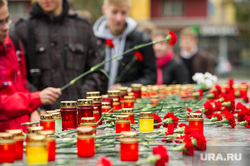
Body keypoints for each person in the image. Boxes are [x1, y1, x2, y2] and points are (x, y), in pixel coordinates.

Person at [15, 0, 102, 109]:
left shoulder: (83, 27)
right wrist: (35, 105)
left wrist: (83, 95)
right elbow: (17, 76)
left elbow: (97, 69)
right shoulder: (23, 29)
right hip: (41, 119)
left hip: (79, 114)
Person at [0, 0, 61, 132]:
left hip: (23, 136)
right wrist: (35, 100)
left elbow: (22, 85)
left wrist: (34, 111)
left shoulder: (13, 43)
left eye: (7, 20)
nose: (6, 27)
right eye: (0, 23)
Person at [93, 0, 156, 91]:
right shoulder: (93, 38)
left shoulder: (141, 39)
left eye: (123, 13)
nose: (119, 18)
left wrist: (126, 87)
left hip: (129, 101)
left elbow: (151, 76)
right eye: (114, 12)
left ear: (128, 11)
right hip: (98, 100)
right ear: (104, 10)